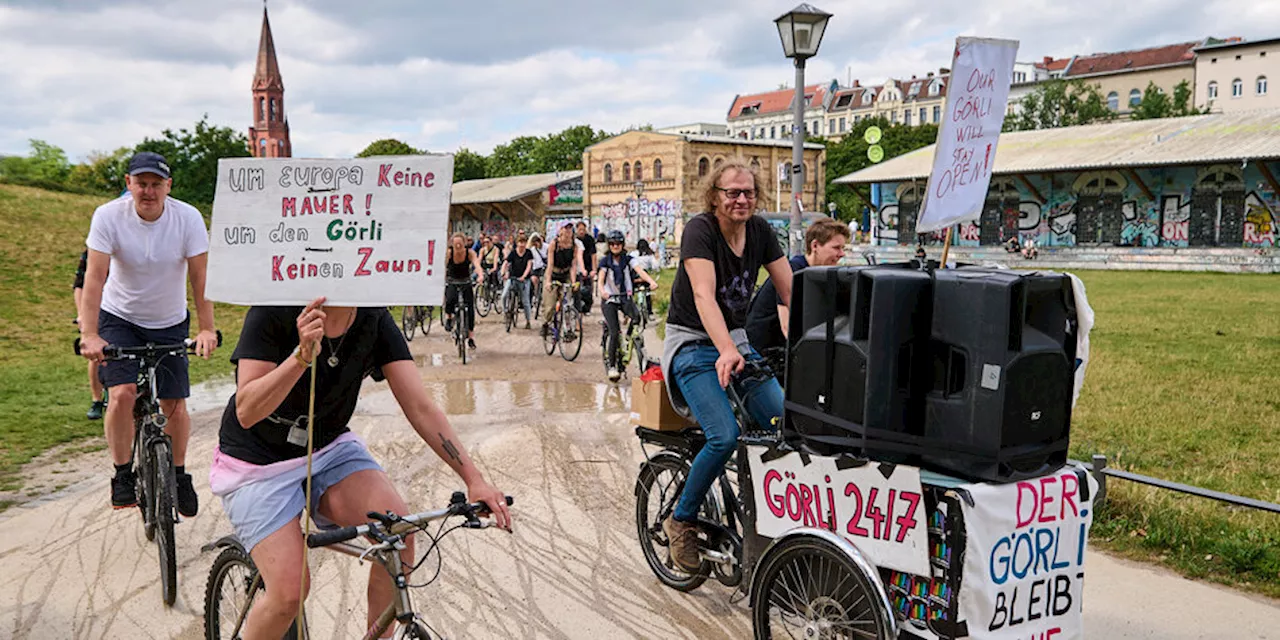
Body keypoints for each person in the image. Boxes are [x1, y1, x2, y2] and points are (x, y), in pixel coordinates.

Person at [210, 297, 512, 638]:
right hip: (256, 462)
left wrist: (474, 479)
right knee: (289, 594)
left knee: (398, 533)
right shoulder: (274, 305)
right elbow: (247, 411)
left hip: (327, 448)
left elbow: (420, 406)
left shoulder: (374, 317)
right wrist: (300, 357)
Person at [660, 160, 791, 571]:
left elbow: (792, 290)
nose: (741, 199)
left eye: (748, 192)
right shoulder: (700, 230)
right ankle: (680, 520)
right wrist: (725, 349)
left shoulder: (760, 231)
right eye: (732, 192)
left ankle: (768, 517)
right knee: (724, 436)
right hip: (693, 346)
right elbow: (703, 296)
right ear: (714, 195)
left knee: (783, 423)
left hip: (735, 343)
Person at [78, 151, 218, 515]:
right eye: (141, 183)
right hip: (120, 317)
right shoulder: (108, 217)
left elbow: (200, 279)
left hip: (168, 319)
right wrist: (90, 334)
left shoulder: (187, 218)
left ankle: (180, 474)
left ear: (168, 187)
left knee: (173, 403)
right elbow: (94, 278)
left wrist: (206, 328)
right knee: (122, 393)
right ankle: (123, 473)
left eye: (156, 184)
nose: (148, 191)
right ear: (129, 184)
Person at [745, 217, 849, 357]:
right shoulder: (793, 272)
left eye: (843, 248)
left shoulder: (815, 273)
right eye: (836, 248)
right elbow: (787, 326)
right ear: (815, 246)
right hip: (764, 353)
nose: (842, 254)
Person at [598, 231, 656, 381]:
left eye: (618, 244)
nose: (615, 246)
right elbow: (601, 278)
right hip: (610, 299)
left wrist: (651, 281)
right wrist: (602, 291)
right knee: (614, 331)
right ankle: (612, 366)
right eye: (612, 244)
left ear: (622, 245)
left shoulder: (628, 259)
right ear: (609, 245)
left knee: (637, 318)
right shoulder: (605, 261)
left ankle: (630, 340)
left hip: (624, 297)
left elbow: (639, 271)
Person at [74, 249, 107, 420]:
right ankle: (97, 399)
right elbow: (80, 286)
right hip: (97, 309)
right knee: (96, 353)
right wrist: (83, 315)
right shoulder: (92, 250)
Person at [541, 223, 585, 335]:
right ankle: (546, 323)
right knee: (550, 305)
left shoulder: (574, 246)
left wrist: (574, 281)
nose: (568, 231)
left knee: (567, 303)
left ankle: (568, 330)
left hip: (566, 274)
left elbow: (573, 265)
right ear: (560, 231)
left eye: (570, 229)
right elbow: (550, 264)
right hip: (554, 273)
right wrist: (548, 281)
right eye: (566, 228)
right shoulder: (554, 244)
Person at [443, 233, 482, 350]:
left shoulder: (470, 253)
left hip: (466, 282)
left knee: (470, 309)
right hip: (452, 281)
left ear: (464, 243)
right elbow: (443, 266)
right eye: (456, 245)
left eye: (460, 244)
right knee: (449, 300)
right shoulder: (449, 253)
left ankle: (471, 337)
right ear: (452, 244)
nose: (458, 247)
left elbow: (477, 264)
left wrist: (480, 275)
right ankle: (449, 317)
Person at [501, 235, 535, 329]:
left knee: (525, 301)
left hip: (524, 280)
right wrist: (503, 273)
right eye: (520, 242)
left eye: (524, 242)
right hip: (512, 277)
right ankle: (506, 312)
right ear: (517, 243)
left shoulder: (528, 253)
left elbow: (529, 266)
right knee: (504, 295)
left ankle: (528, 321)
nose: (522, 245)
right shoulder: (513, 253)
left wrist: (524, 276)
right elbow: (506, 263)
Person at [575, 222, 597, 314]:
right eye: (580, 229)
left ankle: (587, 307)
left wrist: (594, 269)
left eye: (583, 229)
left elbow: (593, 255)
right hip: (576, 266)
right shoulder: (574, 240)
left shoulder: (590, 239)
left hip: (588, 265)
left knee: (588, 288)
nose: (581, 232)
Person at [527, 233, 546, 297]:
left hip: (545, 266)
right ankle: (536, 292)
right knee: (534, 279)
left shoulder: (546, 247)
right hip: (536, 267)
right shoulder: (532, 250)